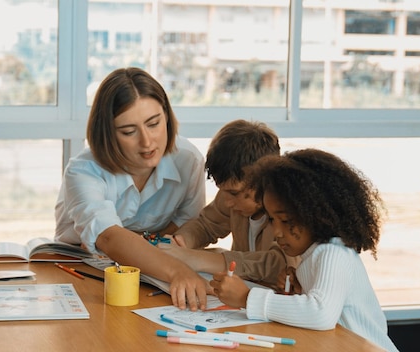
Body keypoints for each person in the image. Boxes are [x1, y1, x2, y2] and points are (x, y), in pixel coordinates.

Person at [209, 148, 398, 352]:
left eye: (286, 220)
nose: (277, 232)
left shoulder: (333, 252)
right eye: (272, 219)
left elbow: (321, 314)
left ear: (317, 215)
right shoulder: (311, 255)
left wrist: (247, 298)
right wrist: (298, 292)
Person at [55, 67, 208, 310]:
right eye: (129, 131)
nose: (147, 142)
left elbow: (188, 225)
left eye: (154, 124)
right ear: (107, 133)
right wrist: (177, 270)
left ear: (167, 116)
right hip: (83, 269)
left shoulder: (188, 160)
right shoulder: (83, 170)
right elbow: (107, 236)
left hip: (154, 273)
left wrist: (147, 247)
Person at [160, 119, 298, 286]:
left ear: (265, 180)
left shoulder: (289, 210)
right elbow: (206, 225)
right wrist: (180, 242)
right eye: (222, 190)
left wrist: (196, 258)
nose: (227, 202)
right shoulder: (231, 196)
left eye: (234, 193)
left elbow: (276, 263)